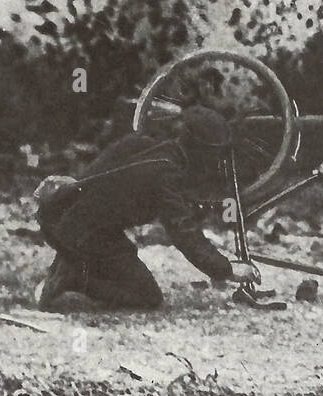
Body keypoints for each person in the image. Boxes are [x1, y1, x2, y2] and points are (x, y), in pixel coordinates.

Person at [34, 106, 259, 310]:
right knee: (147, 297)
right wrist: (226, 270)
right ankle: (72, 277)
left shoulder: (142, 145)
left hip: (59, 214)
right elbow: (183, 232)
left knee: (116, 250)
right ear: (202, 153)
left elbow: (90, 188)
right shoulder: (166, 176)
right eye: (214, 157)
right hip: (79, 232)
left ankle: (70, 261)